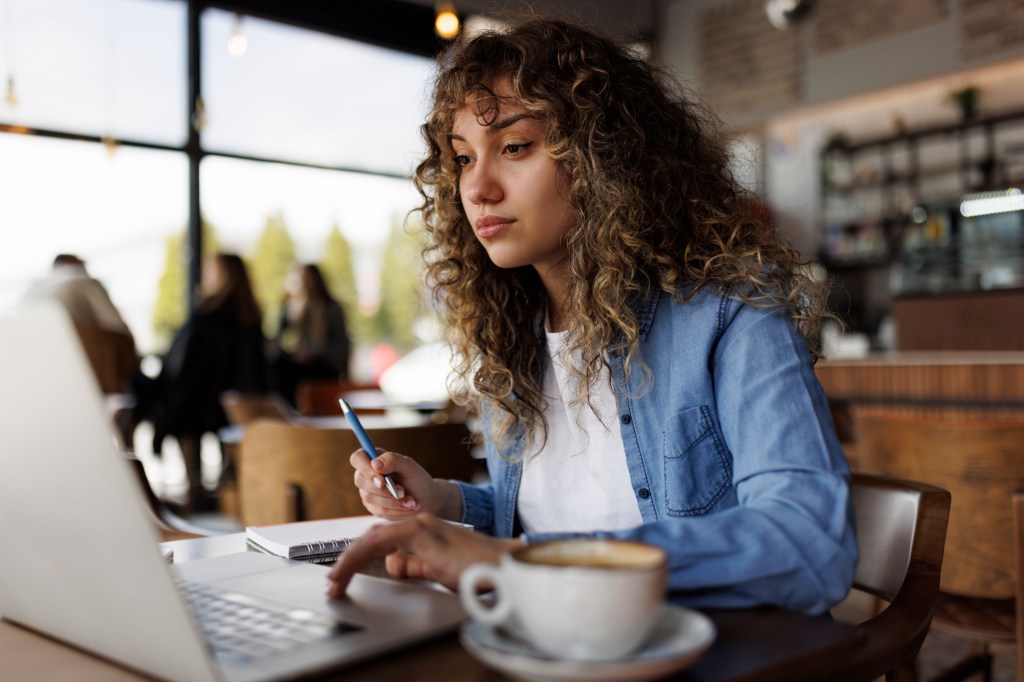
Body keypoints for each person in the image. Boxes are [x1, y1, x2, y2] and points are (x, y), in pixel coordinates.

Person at [327, 16, 857, 615]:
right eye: (462, 158)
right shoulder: (512, 332)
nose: (477, 188)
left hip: (698, 649)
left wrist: (509, 563)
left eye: (515, 147)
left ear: (605, 156)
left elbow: (810, 543)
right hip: (555, 638)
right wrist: (447, 504)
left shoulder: (730, 310)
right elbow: (559, 517)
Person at [135, 252, 268, 514]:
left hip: (197, 405)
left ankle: (191, 498)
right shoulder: (251, 317)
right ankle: (225, 495)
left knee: (176, 405)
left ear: (223, 276)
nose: (203, 276)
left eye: (210, 270)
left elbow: (185, 373)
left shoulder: (205, 318)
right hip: (234, 407)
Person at [22, 254, 138, 394]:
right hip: (91, 372)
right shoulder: (81, 279)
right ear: (72, 263)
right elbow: (117, 325)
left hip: (41, 372)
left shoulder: (32, 288)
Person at [272, 263, 352, 405]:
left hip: (324, 365)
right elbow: (278, 338)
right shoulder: (291, 307)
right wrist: (293, 353)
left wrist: (316, 354)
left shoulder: (331, 309)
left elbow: (341, 345)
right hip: (298, 364)